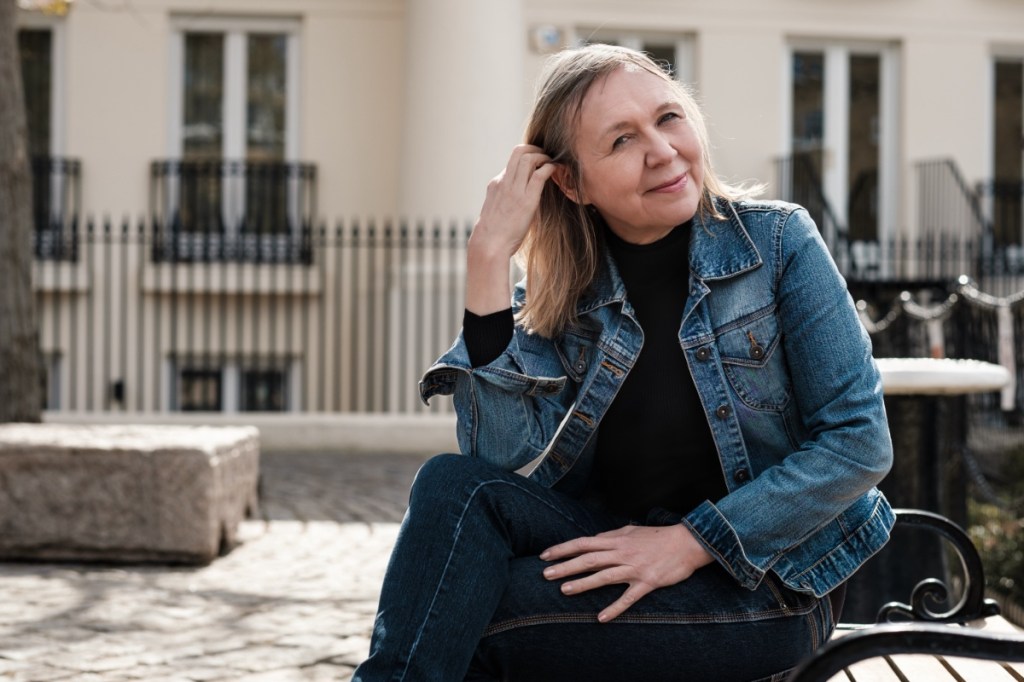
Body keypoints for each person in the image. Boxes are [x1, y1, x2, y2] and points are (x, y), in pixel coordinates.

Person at [353, 44, 894, 682]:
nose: (663, 151)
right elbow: (498, 462)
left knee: (458, 618)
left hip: (768, 585)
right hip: (616, 550)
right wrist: (488, 259)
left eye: (668, 118)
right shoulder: (565, 294)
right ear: (571, 183)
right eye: (621, 141)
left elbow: (859, 443)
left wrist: (691, 542)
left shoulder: (777, 244)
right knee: (451, 485)